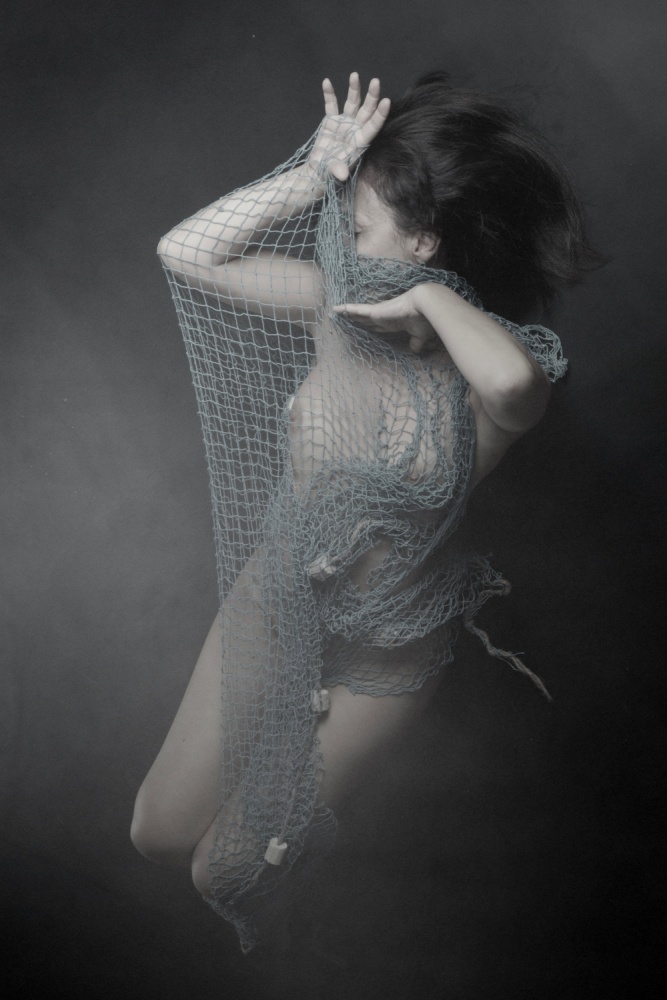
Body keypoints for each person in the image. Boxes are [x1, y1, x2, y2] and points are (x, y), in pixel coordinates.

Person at [131, 72, 597, 949]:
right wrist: (311, 176)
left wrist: (426, 301)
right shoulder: (333, 306)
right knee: (157, 834)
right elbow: (185, 253)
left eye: (355, 224)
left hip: (386, 645)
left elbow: (510, 383)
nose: (337, 236)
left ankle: (347, 883)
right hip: (280, 594)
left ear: (424, 241)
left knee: (219, 874)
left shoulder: (501, 373)